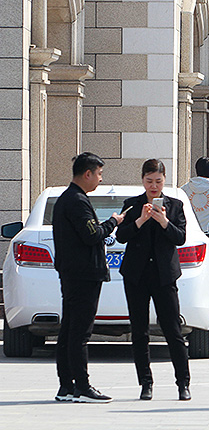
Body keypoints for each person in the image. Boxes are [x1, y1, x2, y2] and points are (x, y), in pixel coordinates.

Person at [52, 152, 125, 403]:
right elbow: (92, 234)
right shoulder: (77, 201)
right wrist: (113, 222)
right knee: (80, 332)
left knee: (69, 330)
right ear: (87, 174)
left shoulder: (68, 198)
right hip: (83, 275)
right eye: (99, 174)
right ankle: (82, 386)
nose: (100, 179)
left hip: (72, 273)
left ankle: (66, 386)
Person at [116, 159, 190, 401]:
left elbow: (180, 238)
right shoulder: (132, 205)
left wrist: (163, 221)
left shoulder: (175, 205)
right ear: (142, 180)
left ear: (164, 180)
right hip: (136, 276)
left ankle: (183, 383)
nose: (154, 186)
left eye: (158, 181)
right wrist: (140, 220)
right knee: (139, 331)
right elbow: (121, 236)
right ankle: (145, 383)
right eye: (149, 181)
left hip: (164, 276)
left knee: (173, 330)